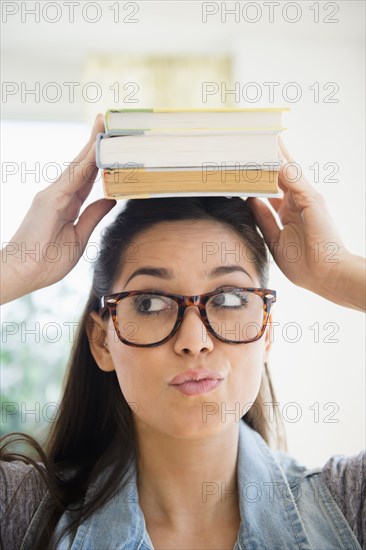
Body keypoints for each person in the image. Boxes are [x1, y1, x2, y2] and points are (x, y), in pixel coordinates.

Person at [0, 114, 364, 550]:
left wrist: (338, 273)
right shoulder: (19, 513)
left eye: (229, 298)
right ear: (102, 341)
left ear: (266, 330)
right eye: (150, 303)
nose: (194, 340)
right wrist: (15, 267)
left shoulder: (348, 504)